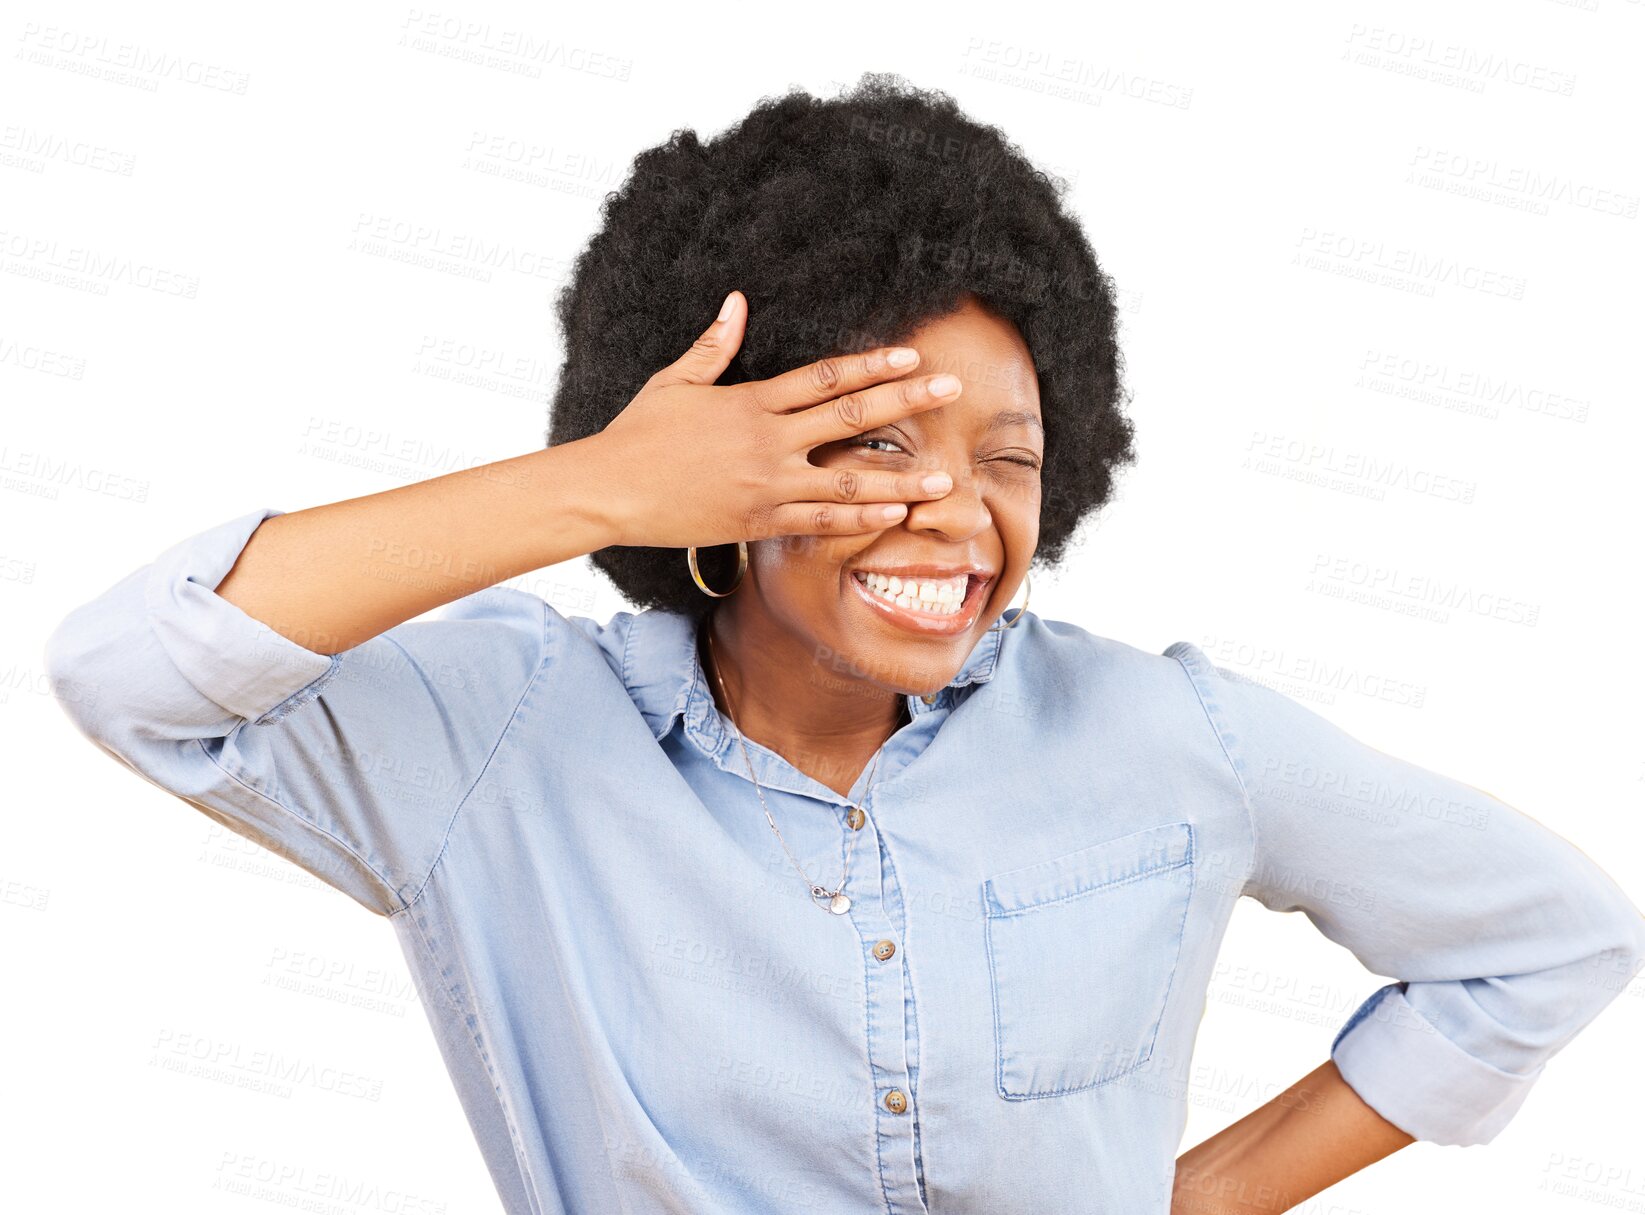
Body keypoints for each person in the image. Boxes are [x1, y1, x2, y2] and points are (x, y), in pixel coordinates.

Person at [44, 74, 1645, 1215]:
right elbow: (134, 676)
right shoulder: (502, 743)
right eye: (875, 442)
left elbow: (1547, 940)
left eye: (1006, 457)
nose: (954, 508)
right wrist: (595, 482)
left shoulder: (1165, 736)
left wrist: (1205, 1201)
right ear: (722, 470)